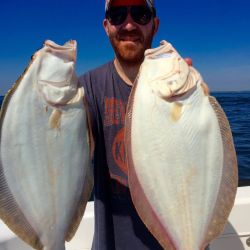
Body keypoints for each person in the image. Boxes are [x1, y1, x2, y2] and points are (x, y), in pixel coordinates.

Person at [79, 0, 193, 249]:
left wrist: (196, 102)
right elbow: (69, 154)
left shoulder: (184, 87)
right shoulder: (86, 89)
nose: (129, 24)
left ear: (155, 24)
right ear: (106, 25)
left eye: (140, 14)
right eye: (118, 14)